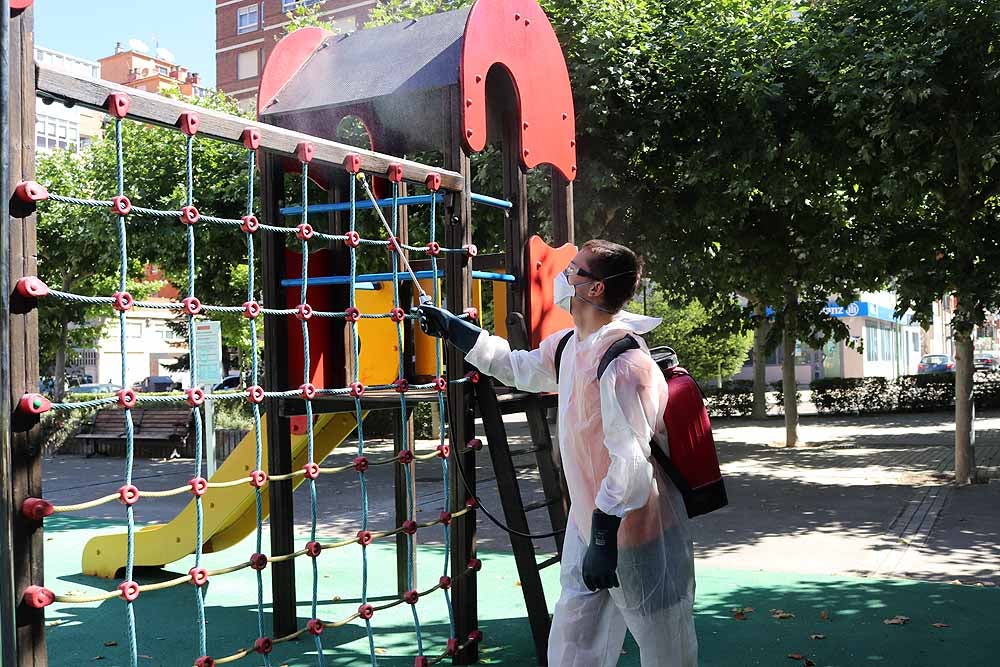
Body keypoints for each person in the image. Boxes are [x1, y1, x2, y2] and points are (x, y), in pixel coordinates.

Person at [416, 240, 697, 666]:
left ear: (595, 289)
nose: (565, 276)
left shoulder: (624, 363)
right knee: (573, 641)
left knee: (665, 647)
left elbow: (632, 462)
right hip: (589, 525)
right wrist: (458, 331)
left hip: (638, 530)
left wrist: (604, 536)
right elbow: (520, 368)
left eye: (575, 270)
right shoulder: (570, 345)